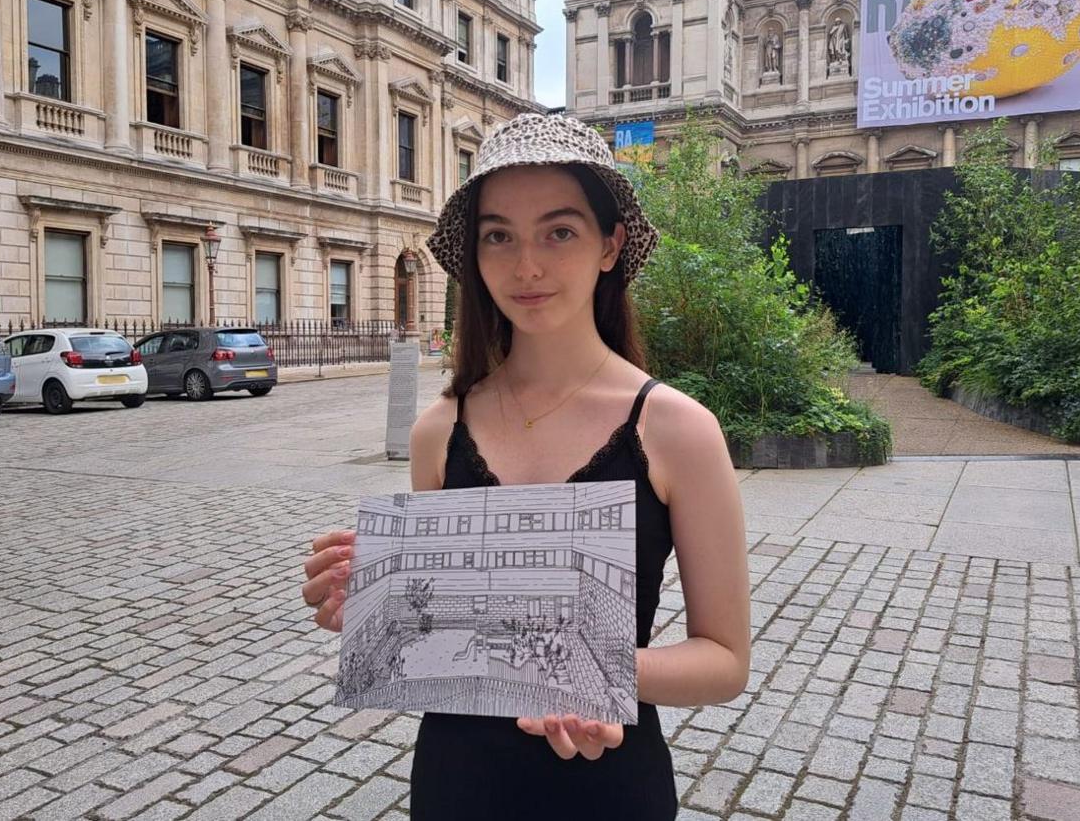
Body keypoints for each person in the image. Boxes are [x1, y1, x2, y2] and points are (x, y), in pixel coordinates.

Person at [303, 113, 750, 820]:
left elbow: (725, 661)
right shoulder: (438, 432)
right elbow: (439, 636)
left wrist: (589, 673)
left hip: (609, 781)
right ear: (475, 257)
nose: (527, 266)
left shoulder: (678, 430)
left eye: (559, 231)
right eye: (499, 236)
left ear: (611, 246)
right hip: (458, 781)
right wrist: (374, 607)